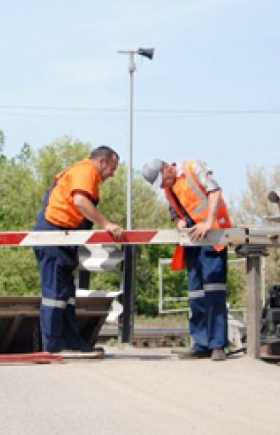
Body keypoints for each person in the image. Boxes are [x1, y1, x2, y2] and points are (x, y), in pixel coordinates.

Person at [33, 146, 124, 353]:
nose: (112, 174)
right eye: (112, 168)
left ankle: (72, 342)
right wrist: (107, 224)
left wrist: (75, 245)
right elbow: (80, 202)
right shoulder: (85, 172)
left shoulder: (82, 173)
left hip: (64, 237)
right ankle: (53, 347)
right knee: (54, 295)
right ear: (102, 161)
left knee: (66, 295)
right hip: (52, 235)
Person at [142, 158, 233, 361]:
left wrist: (208, 222)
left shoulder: (193, 167)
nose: (163, 186)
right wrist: (178, 221)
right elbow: (174, 210)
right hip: (192, 240)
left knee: (214, 291)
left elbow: (215, 191)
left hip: (213, 235)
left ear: (167, 168)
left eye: (162, 180)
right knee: (196, 294)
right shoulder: (169, 188)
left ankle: (218, 345)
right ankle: (201, 344)